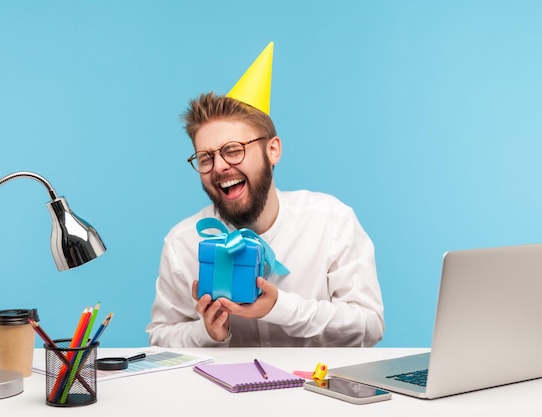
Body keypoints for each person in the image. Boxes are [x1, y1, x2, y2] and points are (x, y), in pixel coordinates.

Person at [146, 42, 384, 347]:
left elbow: (369, 325)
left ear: (272, 150)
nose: (219, 166)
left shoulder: (332, 221)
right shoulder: (183, 243)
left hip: (316, 393)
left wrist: (281, 308)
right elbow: (161, 336)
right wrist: (207, 332)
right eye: (206, 158)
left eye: (233, 150)